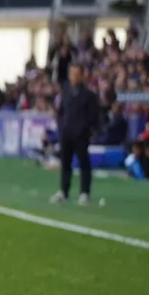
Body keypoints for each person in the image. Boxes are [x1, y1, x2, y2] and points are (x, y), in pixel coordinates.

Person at [53, 63, 99, 205]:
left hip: (81, 134)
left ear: (82, 75)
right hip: (66, 133)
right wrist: (61, 127)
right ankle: (64, 191)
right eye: (72, 73)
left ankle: (84, 192)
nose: (73, 76)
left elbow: (93, 116)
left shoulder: (88, 95)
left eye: (76, 73)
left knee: (83, 163)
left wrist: (86, 129)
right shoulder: (65, 91)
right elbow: (60, 111)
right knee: (65, 163)